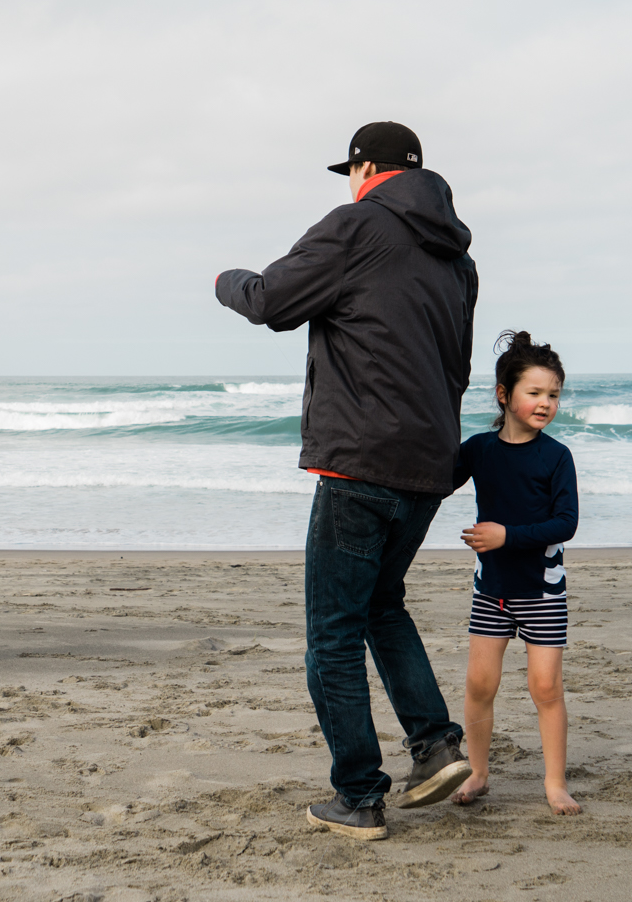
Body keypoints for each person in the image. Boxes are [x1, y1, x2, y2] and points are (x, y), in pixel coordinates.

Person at [214, 121, 479, 842]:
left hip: (359, 461)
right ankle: (435, 746)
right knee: (380, 605)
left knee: (330, 635)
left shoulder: (358, 222)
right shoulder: (457, 256)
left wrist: (224, 281)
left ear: (364, 167)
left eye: (351, 171)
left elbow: (271, 299)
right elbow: (455, 367)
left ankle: (359, 794)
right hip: (428, 465)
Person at [448, 331, 581, 816]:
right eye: (535, 392)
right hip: (492, 591)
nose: (546, 403)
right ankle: (479, 773)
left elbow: (566, 522)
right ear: (505, 394)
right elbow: (437, 481)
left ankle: (554, 782)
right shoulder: (480, 449)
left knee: (545, 687)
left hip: (543, 591)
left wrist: (508, 535)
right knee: (480, 685)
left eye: (553, 394)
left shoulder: (556, 456)